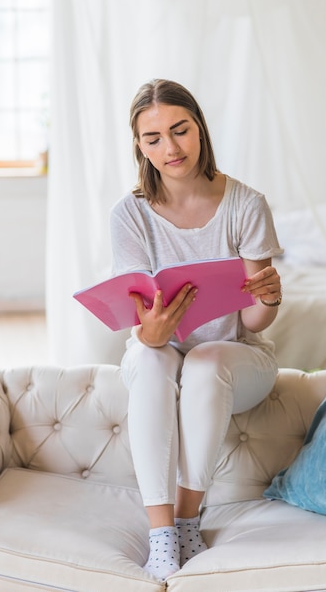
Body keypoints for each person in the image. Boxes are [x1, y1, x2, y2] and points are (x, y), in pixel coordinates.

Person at [109, 79, 283, 581]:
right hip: (159, 348)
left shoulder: (245, 204)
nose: (171, 148)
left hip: (237, 356)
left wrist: (267, 298)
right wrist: (152, 335)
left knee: (205, 361)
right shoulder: (130, 214)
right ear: (139, 145)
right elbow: (145, 329)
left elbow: (252, 322)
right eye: (153, 138)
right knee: (147, 356)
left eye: (180, 131)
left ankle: (188, 519)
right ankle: (162, 534)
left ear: (200, 129)